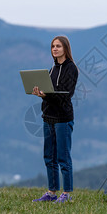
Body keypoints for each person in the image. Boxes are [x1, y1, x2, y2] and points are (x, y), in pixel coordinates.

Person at [31, 36, 78, 204]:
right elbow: (51, 94)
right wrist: (41, 94)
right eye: (52, 46)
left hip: (63, 119)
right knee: (49, 157)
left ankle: (66, 194)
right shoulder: (52, 69)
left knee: (63, 158)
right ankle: (51, 193)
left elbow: (65, 96)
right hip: (48, 117)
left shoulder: (71, 69)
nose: (55, 49)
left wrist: (46, 94)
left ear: (65, 48)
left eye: (58, 46)